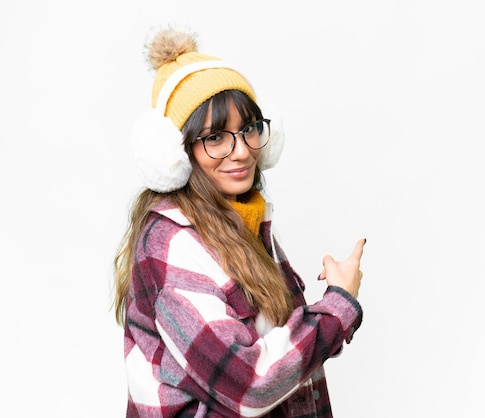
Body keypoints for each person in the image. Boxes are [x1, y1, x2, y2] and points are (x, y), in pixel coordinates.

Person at [112, 26, 366, 418]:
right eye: (215, 137)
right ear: (175, 153)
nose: (241, 151)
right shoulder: (171, 245)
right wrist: (338, 305)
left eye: (248, 130)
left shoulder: (243, 220)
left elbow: (284, 364)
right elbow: (250, 384)